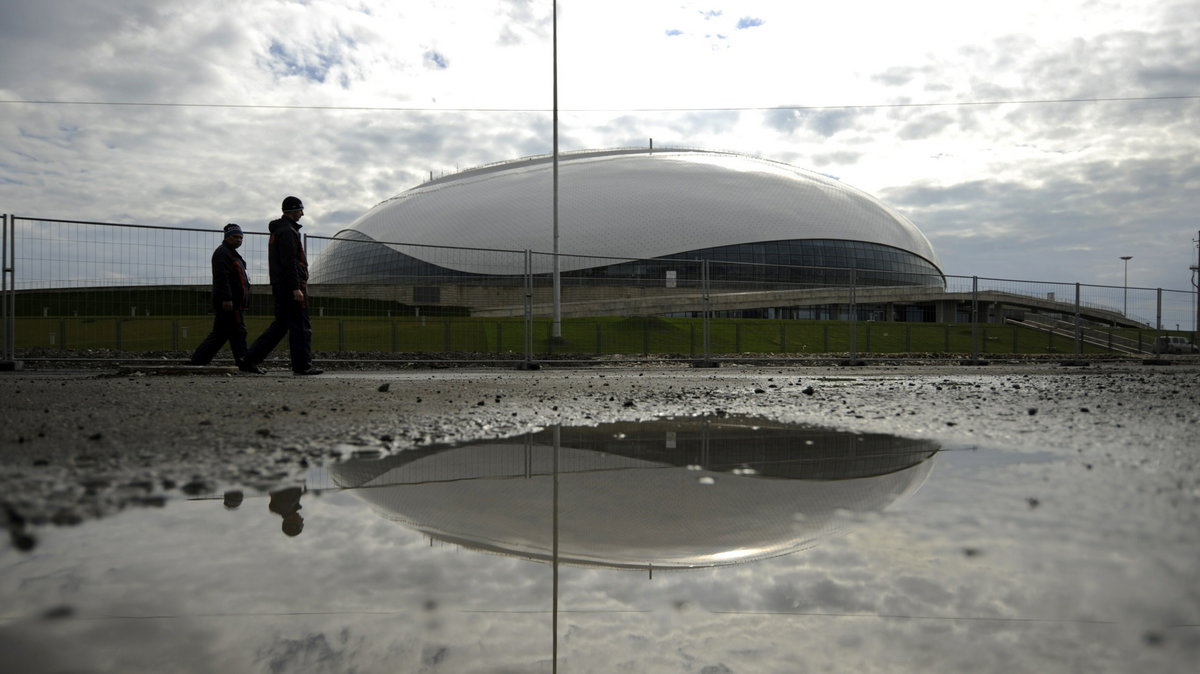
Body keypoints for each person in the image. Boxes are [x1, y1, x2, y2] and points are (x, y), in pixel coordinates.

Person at [240, 196, 323, 375]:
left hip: (281, 285)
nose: (302, 213)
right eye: (300, 210)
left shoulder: (280, 230)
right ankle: (302, 366)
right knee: (301, 326)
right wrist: (296, 287)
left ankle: (250, 360)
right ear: (293, 211)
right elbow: (289, 261)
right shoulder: (288, 231)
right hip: (291, 286)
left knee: (280, 326)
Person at [188, 223, 253, 368]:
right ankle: (244, 362)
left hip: (236, 302)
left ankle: (199, 360)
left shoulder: (232, 254)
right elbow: (221, 278)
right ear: (227, 237)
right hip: (231, 303)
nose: (239, 240)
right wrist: (227, 298)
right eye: (235, 237)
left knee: (222, 333)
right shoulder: (223, 254)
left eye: (241, 238)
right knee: (237, 332)